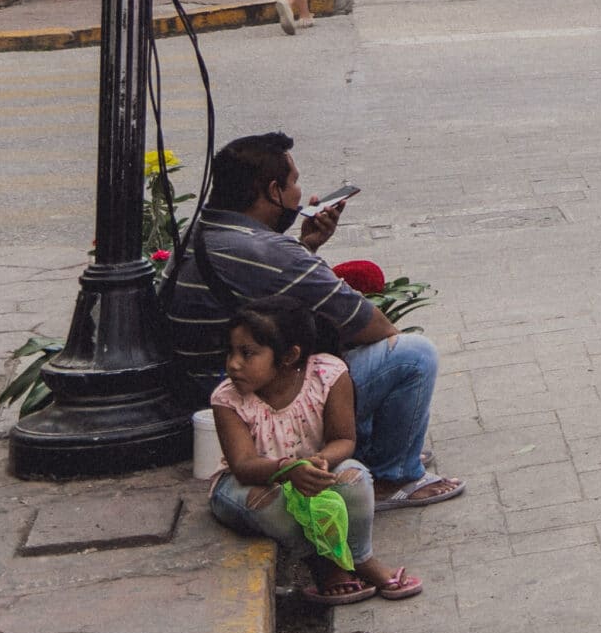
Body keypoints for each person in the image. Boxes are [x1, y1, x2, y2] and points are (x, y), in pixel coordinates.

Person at [164, 132, 463, 509]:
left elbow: (264, 292)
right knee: (413, 355)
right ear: (273, 191)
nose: (299, 194)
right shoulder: (270, 252)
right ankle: (394, 476)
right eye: (294, 183)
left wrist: (307, 247)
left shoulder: (199, 232)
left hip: (210, 384)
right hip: (253, 397)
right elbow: (373, 326)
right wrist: (299, 255)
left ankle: (375, 453)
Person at [205, 301, 420, 604]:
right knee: (267, 501)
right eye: (230, 352)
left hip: (311, 469)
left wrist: (319, 462)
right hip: (251, 482)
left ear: (289, 356)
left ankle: (360, 558)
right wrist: (287, 470)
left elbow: (343, 439)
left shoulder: (327, 375)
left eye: (247, 353)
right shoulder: (228, 399)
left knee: (354, 476)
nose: (234, 364)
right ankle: (320, 563)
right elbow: (243, 465)